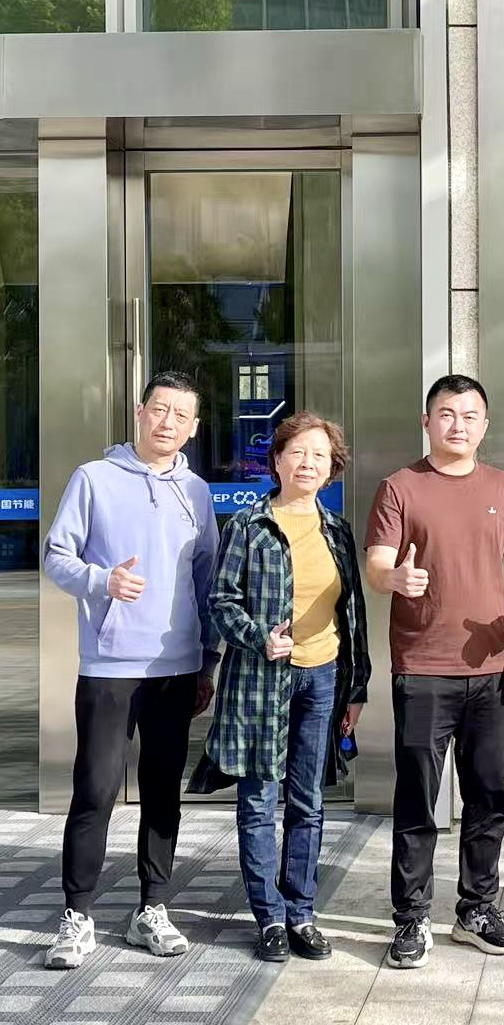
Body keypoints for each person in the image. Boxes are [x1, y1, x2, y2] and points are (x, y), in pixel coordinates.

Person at [41, 371, 219, 970]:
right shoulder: (93, 478)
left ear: (194, 428)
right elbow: (56, 555)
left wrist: (208, 660)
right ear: (139, 412)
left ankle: (153, 908)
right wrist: (102, 581)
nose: (168, 422)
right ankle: (76, 916)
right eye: (159, 409)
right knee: (94, 789)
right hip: (109, 664)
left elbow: (207, 581)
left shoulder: (196, 492)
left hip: (177, 668)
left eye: (181, 415)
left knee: (163, 790)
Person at [365, 374, 504, 970]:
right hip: (422, 668)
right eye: (446, 413)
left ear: (484, 425)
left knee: (488, 794)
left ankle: (477, 909)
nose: (457, 425)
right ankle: (411, 918)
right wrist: (395, 578)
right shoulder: (400, 487)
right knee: (417, 798)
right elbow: (377, 564)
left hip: (491, 669)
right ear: (426, 421)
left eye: (468, 415)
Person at [188, 412, 371, 963]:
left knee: (308, 801)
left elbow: (353, 614)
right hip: (260, 681)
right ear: (276, 461)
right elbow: (221, 602)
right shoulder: (248, 526)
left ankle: (301, 912)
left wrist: (356, 688)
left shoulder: (337, 531)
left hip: (323, 677)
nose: (307, 463)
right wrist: (258, 638)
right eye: (297, 453)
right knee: (259, 799)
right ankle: (268, 916)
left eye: (319, 456)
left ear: (331, 468)